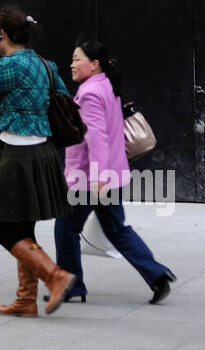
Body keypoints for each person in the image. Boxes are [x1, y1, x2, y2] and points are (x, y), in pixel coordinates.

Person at [0, 5, 74, 315]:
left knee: (3, 228)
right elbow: (63, 97)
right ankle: (26, 298)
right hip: (43, 152)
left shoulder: (10, 66)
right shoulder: (45, 64)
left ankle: (55, 276)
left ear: (0, 36)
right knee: (22, 226)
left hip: (17, 154)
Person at [54, 40, 176, 304]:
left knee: (66, 228)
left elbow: (96, 137)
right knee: (117, 229)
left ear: (94, 64)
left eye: (77, 59)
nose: (72, 64)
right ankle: (157, 275)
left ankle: (70, 285)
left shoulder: (89, 93)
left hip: (90, 178)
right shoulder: (108, 86)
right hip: (112, 173)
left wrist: (98, 176)